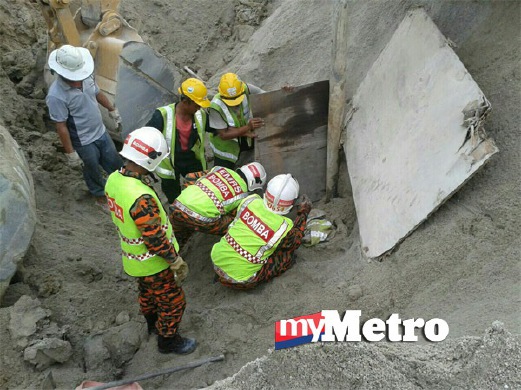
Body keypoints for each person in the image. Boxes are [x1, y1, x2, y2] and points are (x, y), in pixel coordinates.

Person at [104, 127, 196, 355]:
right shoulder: (141, 197)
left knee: (147, 295)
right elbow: (154, 238)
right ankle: (168, 341)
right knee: (173, 302)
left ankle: (152, 325)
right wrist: (174, 261)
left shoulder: (114, 180)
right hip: (155, 264)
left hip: (134, 262)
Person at [45, 45, 123, 211]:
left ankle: (123, 188)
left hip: (101, 132)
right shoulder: (56, 95)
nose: (77, 79)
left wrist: (111, 109)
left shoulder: (86, 77)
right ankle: (100, 197)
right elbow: (61, 126)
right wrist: (70, 152)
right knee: (92, 169)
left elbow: (97, 93)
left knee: (115, 162)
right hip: (83, 141)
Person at [211, 173, 312, 289]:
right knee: (287, 257)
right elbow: (295, 243)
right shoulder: (284, 227)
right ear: (292, 203)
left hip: (216, 260)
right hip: (241, 280)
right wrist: (303, 214)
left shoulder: (250, 201)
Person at [169, 162, 267, 250]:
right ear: (253, 184)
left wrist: (191, 197)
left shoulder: (219, 169)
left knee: (174, 235)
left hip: (177, 205)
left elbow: (189, 176)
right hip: (200, 219)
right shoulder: (242, 195)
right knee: (235, 223)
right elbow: (236, 216)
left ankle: (173, 252)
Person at [146, 78, 212, 203]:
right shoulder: (162, 115)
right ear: (186, 102)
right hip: (170, 164)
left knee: (200, 191)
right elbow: (147, 137)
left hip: (192, 159)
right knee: (174, 197)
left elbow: (217, 129)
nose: (199, 107)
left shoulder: (200, 115)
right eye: (197, 104)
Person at [208, 73, 265, 169]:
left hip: (244, 137)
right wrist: (247, 128)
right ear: (222, 95)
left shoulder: (246, 89)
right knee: (223, 176)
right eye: (230, 100)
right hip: (225, 148)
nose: (235, 103)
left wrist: (285, 91)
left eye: (237, 98)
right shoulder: (215, 107)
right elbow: (224, 135)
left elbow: (267, 95)